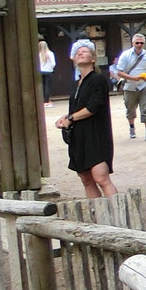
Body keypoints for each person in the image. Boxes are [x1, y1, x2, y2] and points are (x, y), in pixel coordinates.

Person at [55, 41, 117, 198]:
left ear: (93, 58)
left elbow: (93, 107)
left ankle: (118, 209)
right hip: (79, 136)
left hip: (95, 135)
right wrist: (65, 118)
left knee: (101, 178)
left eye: (85, 51)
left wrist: (71, 118)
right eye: (78, 52)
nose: (80, 53)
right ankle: (97, 211)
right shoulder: (76, 84)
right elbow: (77, 107)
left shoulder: (98, 79)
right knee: (86, 179)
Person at [113, 33, 146, 141]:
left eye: (141, 43)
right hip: (129, 86)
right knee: (130, 110)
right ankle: (132, 127)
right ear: (132, 43)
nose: (139, 45)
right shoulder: (125, 55)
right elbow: (119, 72)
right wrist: (133, 78)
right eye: (137, 43)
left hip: (144, 85)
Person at [38, 39, 56, 108]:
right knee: (47, 86)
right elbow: (53, 63)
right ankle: (46, 100)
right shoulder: (50, 53)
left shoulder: (38, 54)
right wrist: (51, 68)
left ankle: (42, 100)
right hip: (48, 71)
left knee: (42, 86)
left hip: (40, 71)